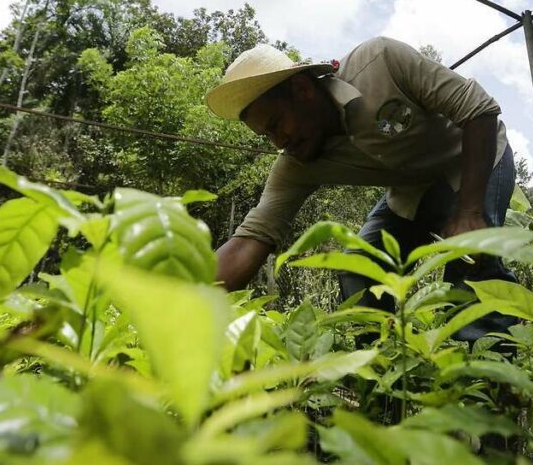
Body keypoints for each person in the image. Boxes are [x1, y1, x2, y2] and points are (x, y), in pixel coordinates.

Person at [206, 36, 516, 341]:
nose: (278, 140)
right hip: (411, 189)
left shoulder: (380, 63)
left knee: (473, 255)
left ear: (303, 90)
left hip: (474, 159)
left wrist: (469, 211)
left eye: (276, 123)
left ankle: (495, 378)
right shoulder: (296, 164)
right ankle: (382, 375)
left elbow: (479, 109)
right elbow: (249, 241)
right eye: (266, 134)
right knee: (359, 268)